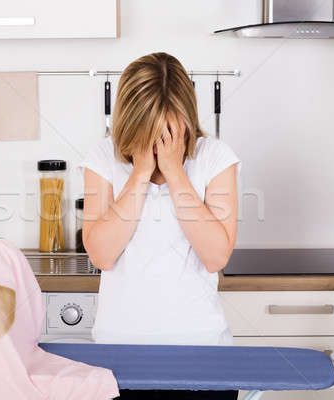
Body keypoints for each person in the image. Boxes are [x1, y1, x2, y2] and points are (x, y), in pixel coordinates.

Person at [79, 52, 239, 400]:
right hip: (119, 359)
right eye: (147, 130)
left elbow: (215, 256)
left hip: (204, 355)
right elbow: (102, 255)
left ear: (186, 120)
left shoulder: (215, 157)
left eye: (167, 131)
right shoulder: (102, 157)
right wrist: (139, 174)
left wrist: (175, 173)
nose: (157, 142)